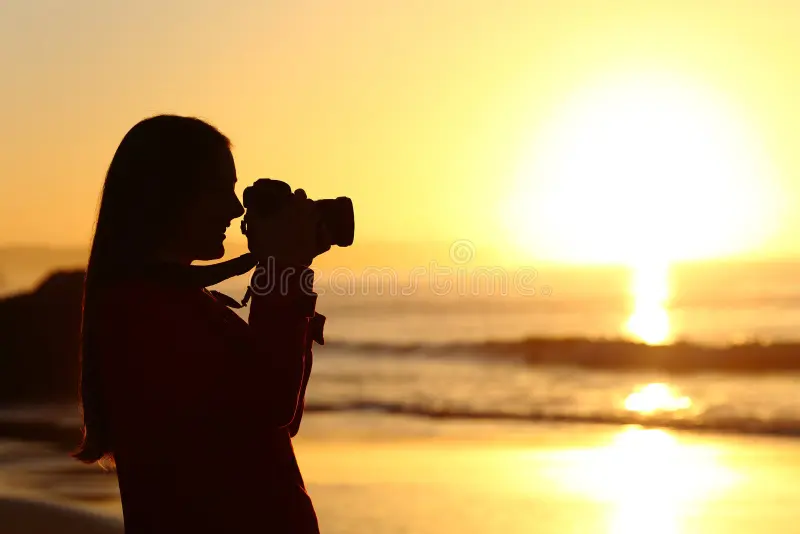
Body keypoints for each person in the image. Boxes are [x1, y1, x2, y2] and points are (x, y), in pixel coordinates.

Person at [73, 114, 323, 533]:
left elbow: (281, 417)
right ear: (168, 196)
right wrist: (284, 269)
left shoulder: (170, 299)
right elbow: (271, 402)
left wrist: (289, 269)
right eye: (221, 190)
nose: (236, 209)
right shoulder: (146, 311)